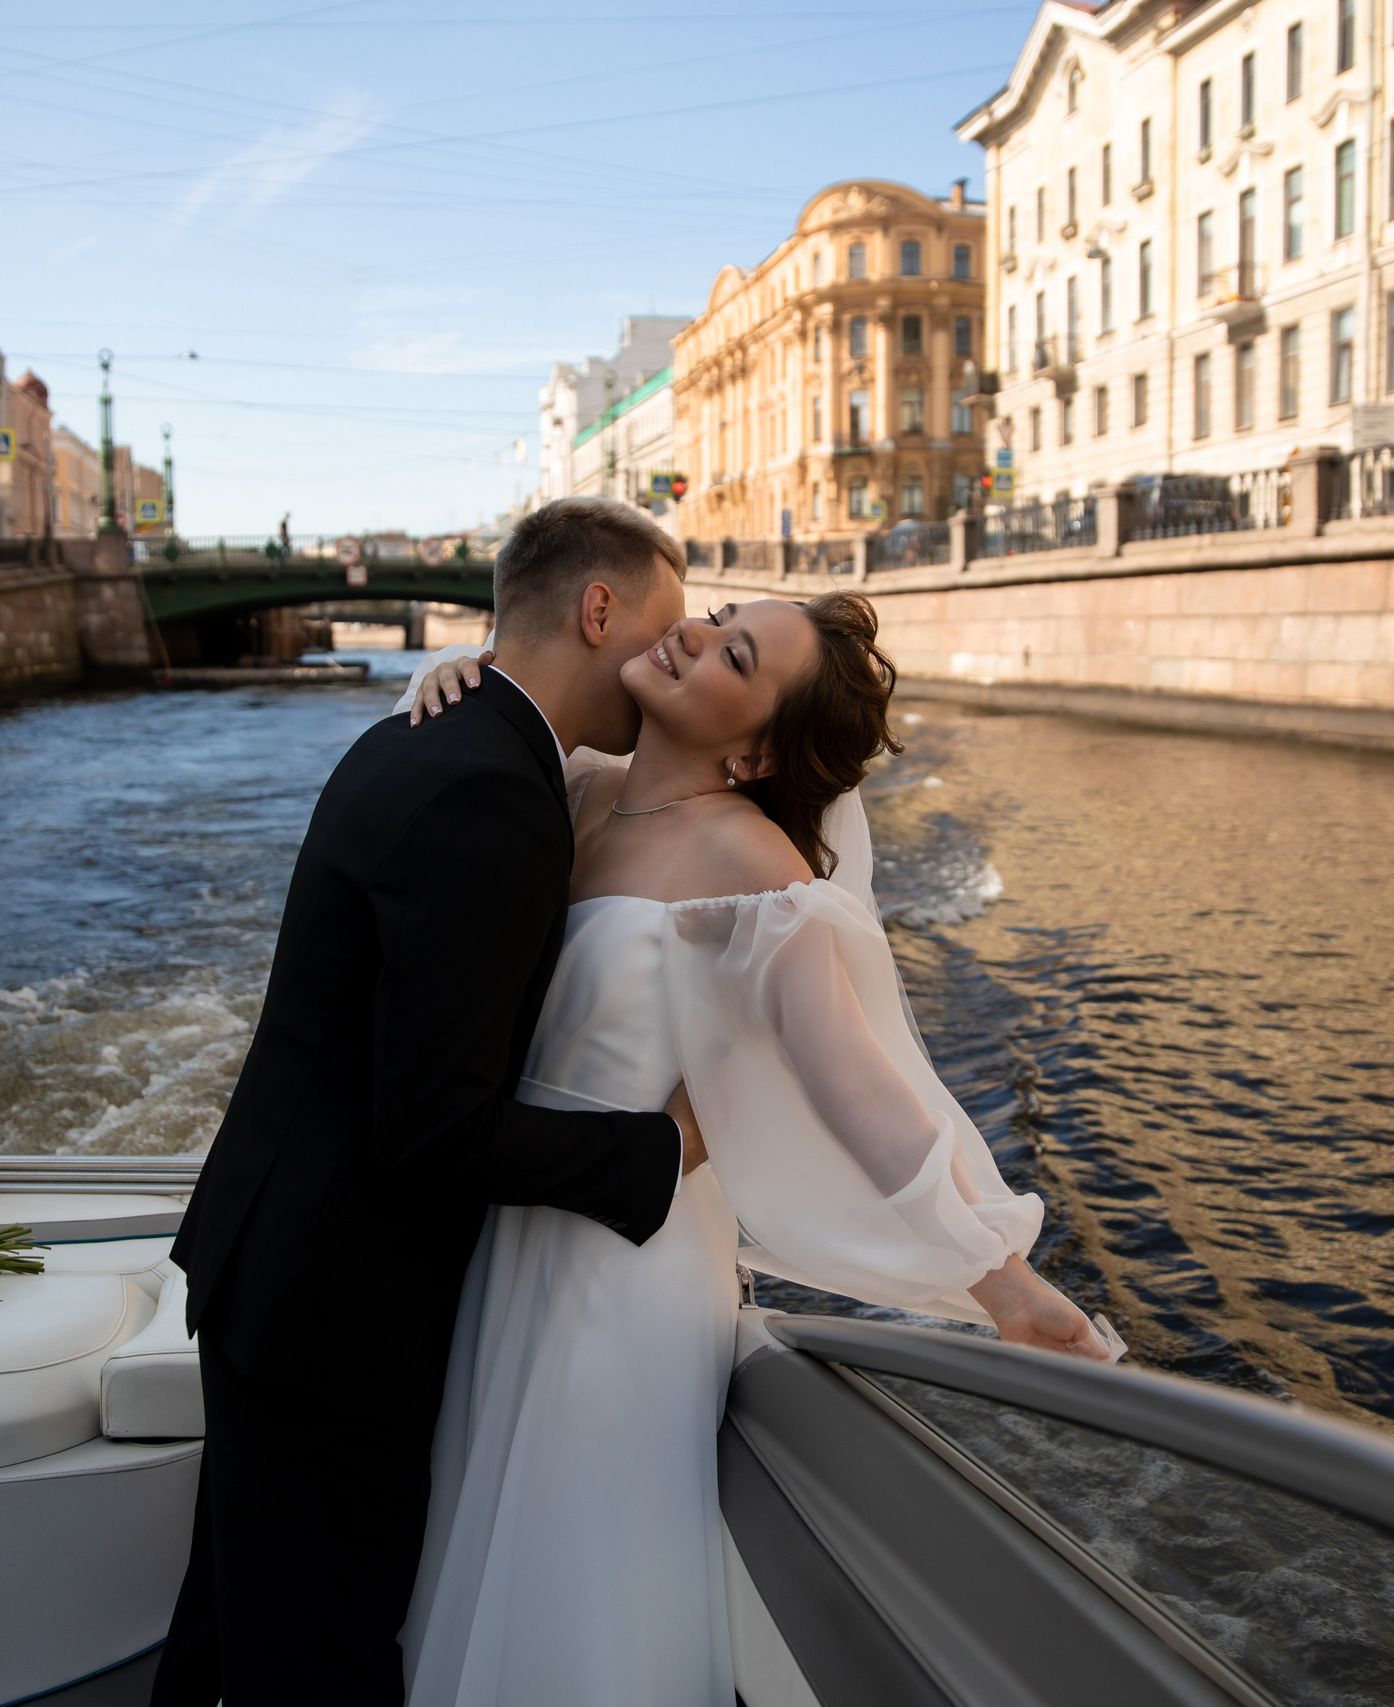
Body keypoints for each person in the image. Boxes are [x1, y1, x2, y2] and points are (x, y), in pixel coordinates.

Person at [396, 593, 1117, 1707]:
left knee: (576, 1576)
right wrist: (452, 680)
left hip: (620, 1278)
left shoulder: (754, 864)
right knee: (473, 1529)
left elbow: (858, 1088)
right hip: (497, 1234)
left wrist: (1003, 1280)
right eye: (720, 615)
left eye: (731, 652)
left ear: (759, 750)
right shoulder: (571, 789)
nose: (690, 633)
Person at [151, 498, 702, 1707]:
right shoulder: (488, 788)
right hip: (336, 1307)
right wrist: (657, 1154)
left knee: (232, 1628)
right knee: (319, 1656)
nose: (672, 660)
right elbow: (436, 1124)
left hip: (276, 1260)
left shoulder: (426, 737)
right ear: (596, 610)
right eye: (666, 630)